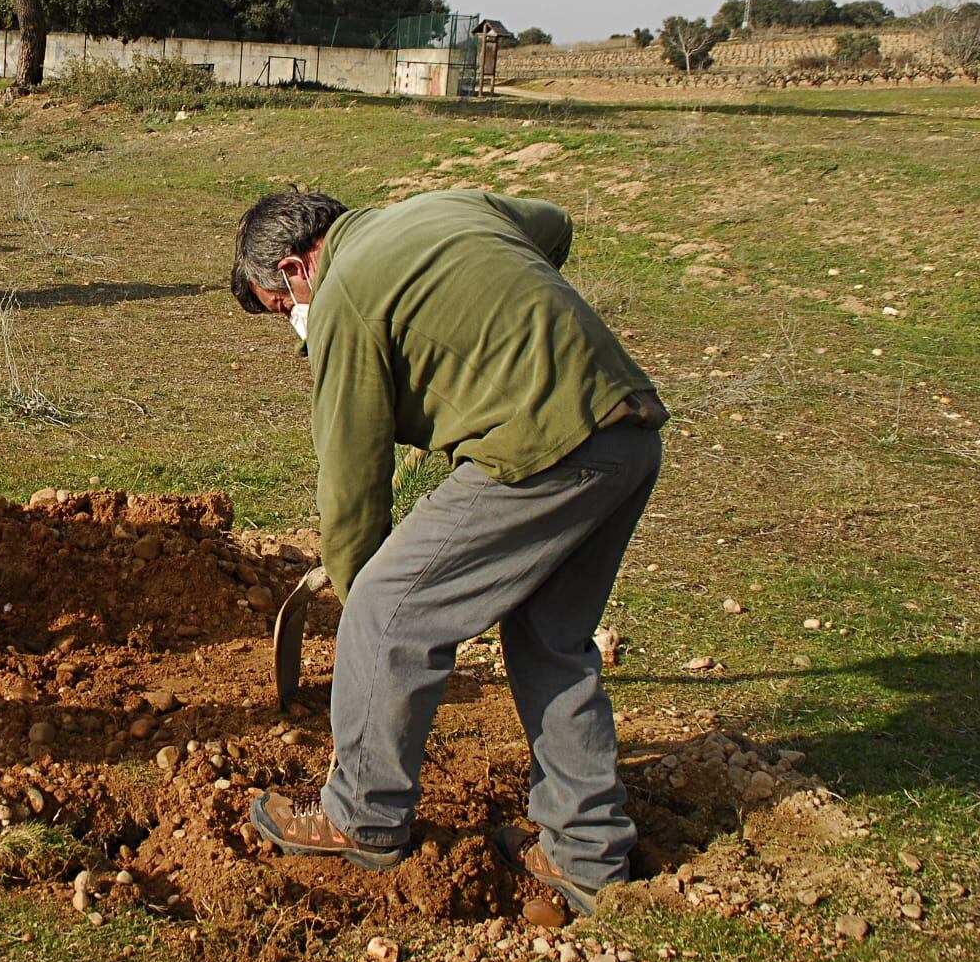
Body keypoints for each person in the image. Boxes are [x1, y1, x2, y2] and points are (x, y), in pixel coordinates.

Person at [231, 189, 667, 917]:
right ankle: (586, 854)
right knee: (550, 639)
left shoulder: (342, 299)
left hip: (542, 450)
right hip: (626, 431)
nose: (296, 328)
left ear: (295, 269)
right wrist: (489, 336)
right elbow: (555, 226)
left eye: (282, 310)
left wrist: (359, 589)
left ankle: (360, 815)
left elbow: (351, 483)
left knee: (387, 610)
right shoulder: (446, 208)